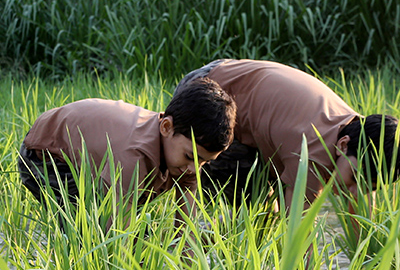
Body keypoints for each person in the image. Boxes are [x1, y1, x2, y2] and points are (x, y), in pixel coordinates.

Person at [173, 59, 400, 218]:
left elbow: (360, 207)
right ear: (342, 145)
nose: (353, 190)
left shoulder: (360, 133)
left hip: (245, 97)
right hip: (208, 94)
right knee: (250, 208)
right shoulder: (313, 152)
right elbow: (297, 230)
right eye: (353, 179)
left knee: (265, 215)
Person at [17, 77, 236, 219]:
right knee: (89, 230)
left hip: (93, 159)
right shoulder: (134, 155)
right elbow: (118, 230)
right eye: (190, 157)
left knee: (140, 235)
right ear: (166, 127)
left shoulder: (189, 158)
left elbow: (186, 226)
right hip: (47, 157)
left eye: (205, 162)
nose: (194, 169)